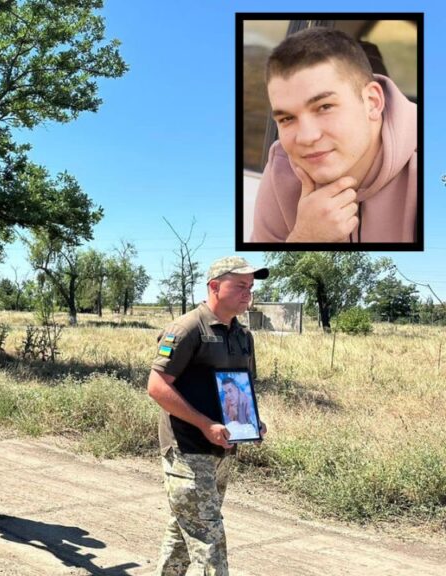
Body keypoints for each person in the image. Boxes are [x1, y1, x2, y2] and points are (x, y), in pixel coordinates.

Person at [147, 256, 270, 575]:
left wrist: (252, 422)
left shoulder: (242, 335)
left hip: (223, 450)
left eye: (251, 287)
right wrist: (205, 424)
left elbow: (241, 387)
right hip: (188, 450)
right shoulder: (187, 329)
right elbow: (157, 387)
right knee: (208, 539)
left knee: (185, 528)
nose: (248, 293)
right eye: (241, 285)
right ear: (214, 287)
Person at [251, 27, 417, 243]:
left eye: (324, 107)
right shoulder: (282, 166)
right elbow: (271, 273)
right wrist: (305, 238)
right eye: (287, 119)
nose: (306, 137)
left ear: (372, 103)